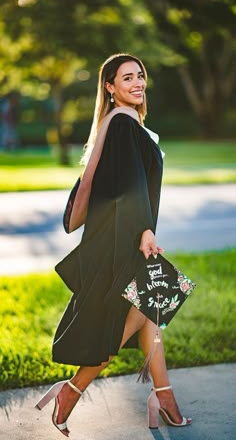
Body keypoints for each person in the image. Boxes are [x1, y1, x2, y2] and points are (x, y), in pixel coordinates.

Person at [35, 53, 191, 436]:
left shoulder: (122, 121)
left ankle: (164, 397)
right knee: (150, 301)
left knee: (153, 303)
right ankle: (74, 388)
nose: (137, 83)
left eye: (140, 76)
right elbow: (129, 184)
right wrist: (145, 231)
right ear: (110, 87)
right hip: (123, 233)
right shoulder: (122, 122)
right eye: (127, 78)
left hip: (123, 230)